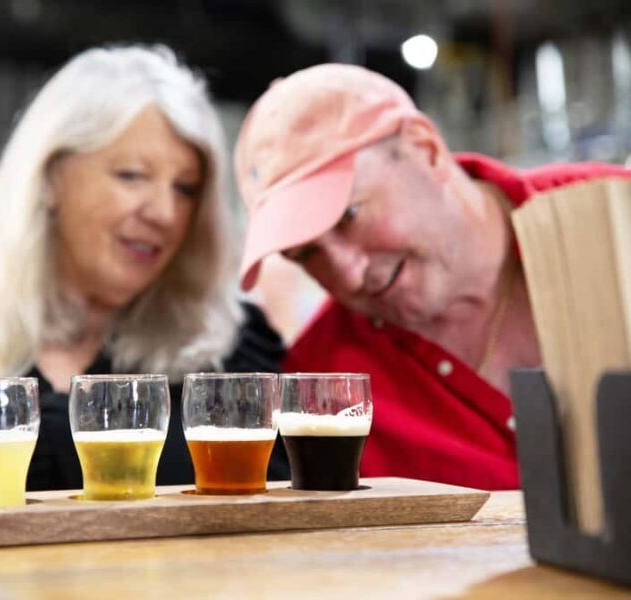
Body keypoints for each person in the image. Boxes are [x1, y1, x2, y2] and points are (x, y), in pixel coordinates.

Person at [0, 45, 290, 489]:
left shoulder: (229, 353)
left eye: (186, 189)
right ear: (50, 177)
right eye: (132, 175)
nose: (165, 213)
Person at [233, 63, 631, 490]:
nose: (347, 275)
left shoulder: (616, 217)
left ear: (425, 150)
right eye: (307, 253)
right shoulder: (324, 382)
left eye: (348, 216)